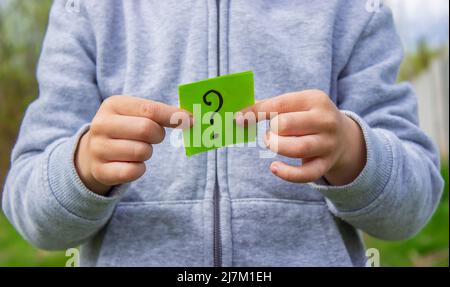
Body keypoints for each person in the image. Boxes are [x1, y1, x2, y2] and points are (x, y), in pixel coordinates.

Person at [2, 0, 444, 266]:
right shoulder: (89, 10)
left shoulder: (350, 10)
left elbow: (413, 207)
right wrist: (81, 169)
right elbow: (32, 213)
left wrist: (353, 153)